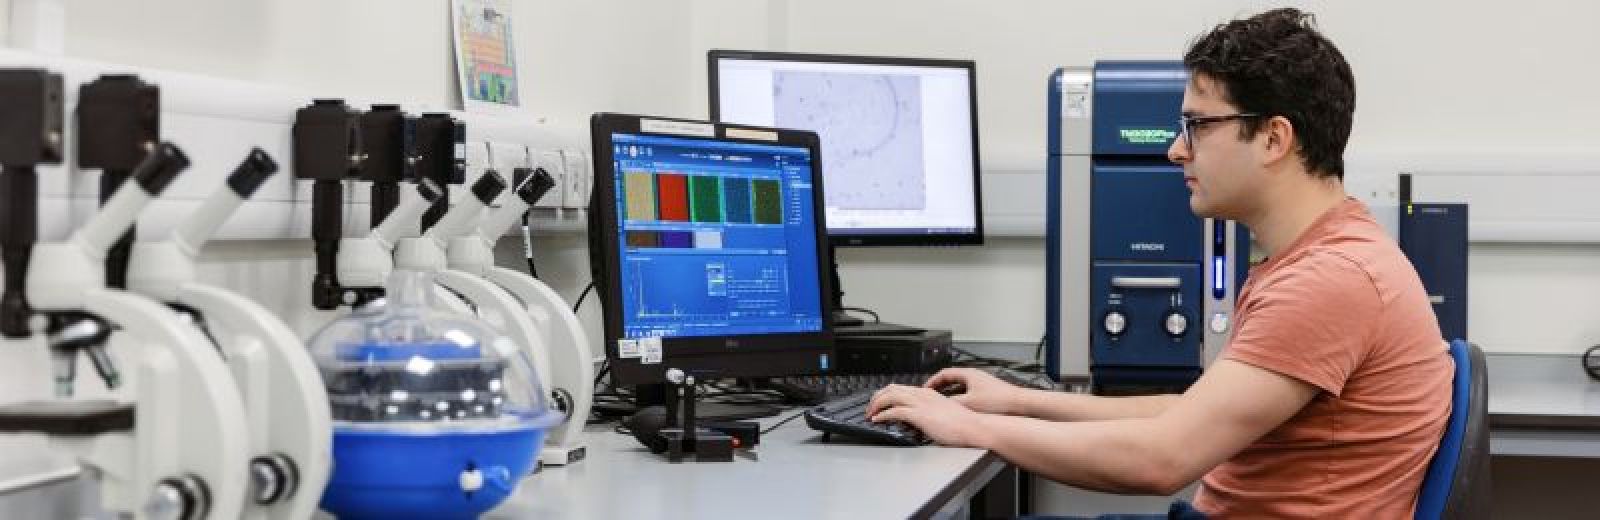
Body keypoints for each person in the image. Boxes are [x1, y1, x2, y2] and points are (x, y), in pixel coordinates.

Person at [866, 7, 1453, 518]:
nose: (1175, 150)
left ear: (1274, 140)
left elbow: (1163, 458)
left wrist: (969, 427)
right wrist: (1015, 399)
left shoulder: (1329, 281)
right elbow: (1189, 413)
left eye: (1196, 126)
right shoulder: (1318, 258)